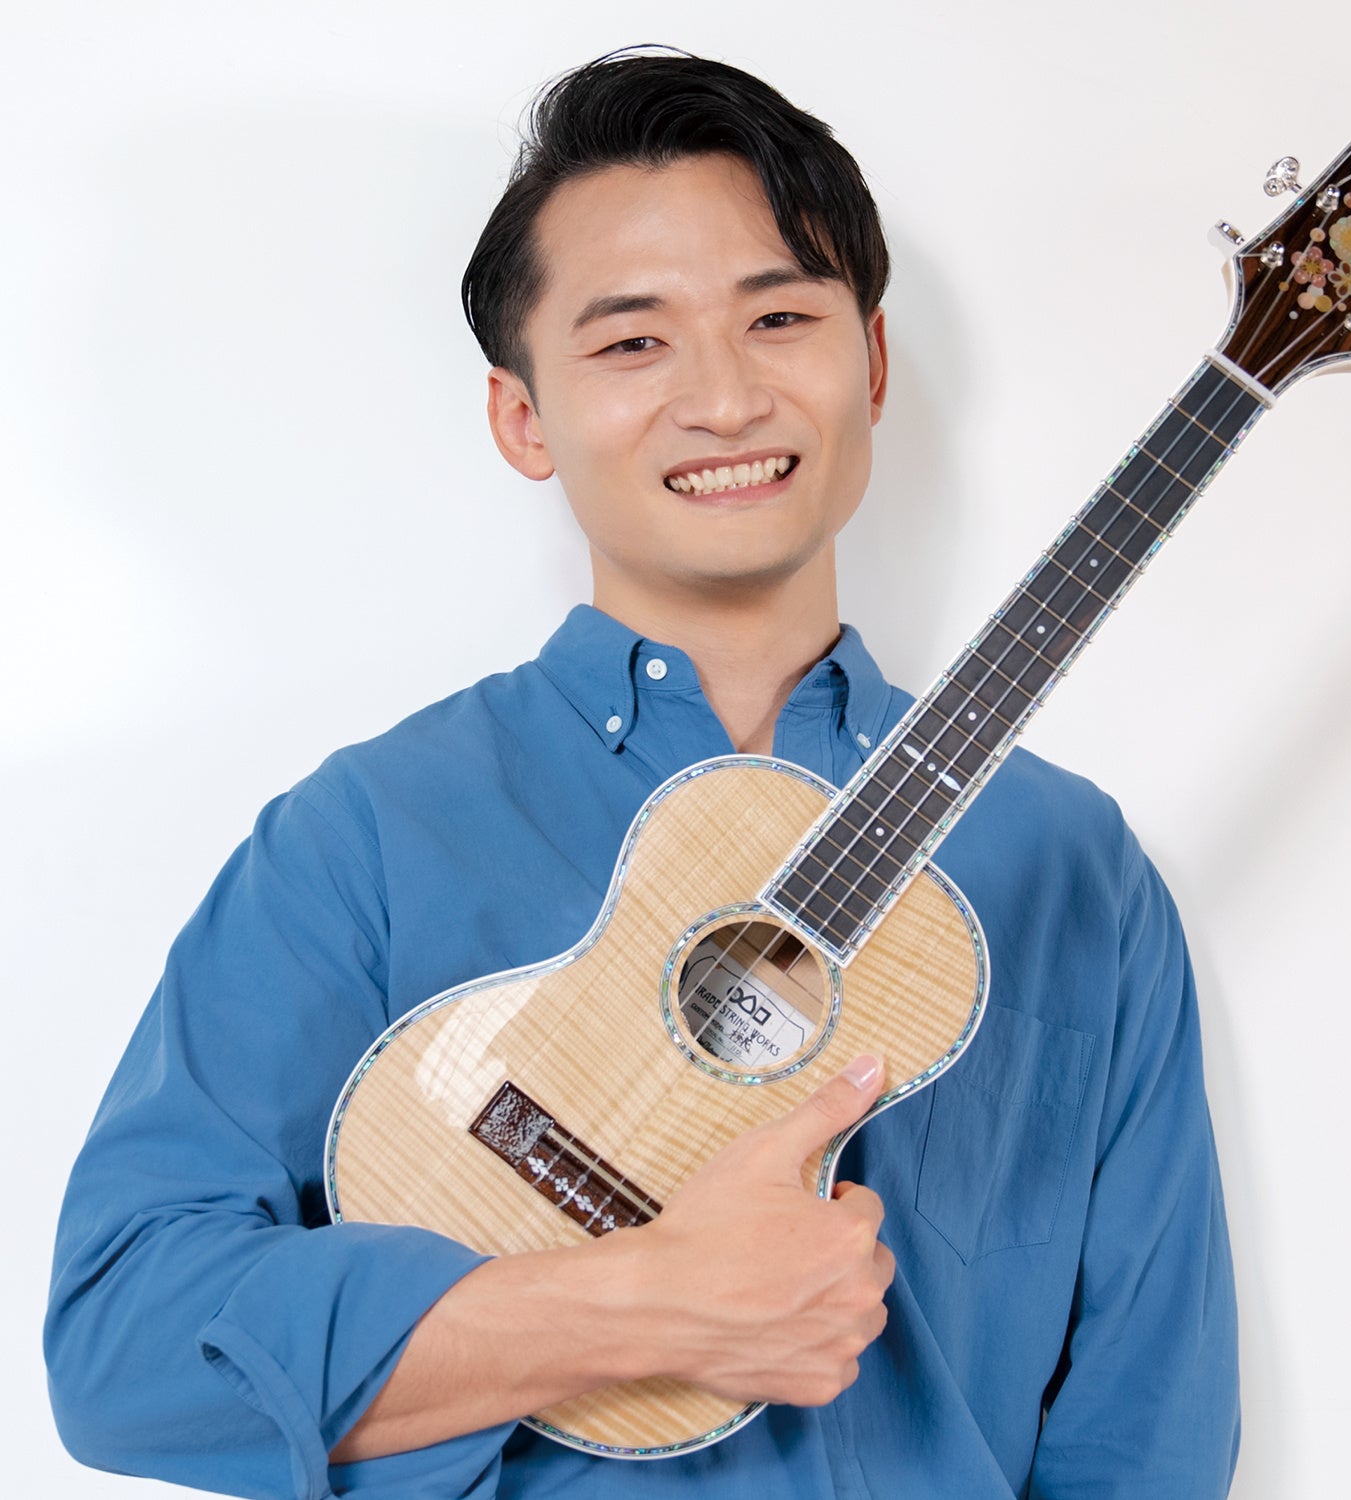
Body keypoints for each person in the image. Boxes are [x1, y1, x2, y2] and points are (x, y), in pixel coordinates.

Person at [46, 51, 1238, 1499]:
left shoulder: (1067, 862)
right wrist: (637, 1307)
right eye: (631, 343)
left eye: (779, 319)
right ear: (523, 417)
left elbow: (1144, 1428)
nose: (724, 398)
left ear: (871, 365)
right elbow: (124, 1349)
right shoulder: (367, 835)